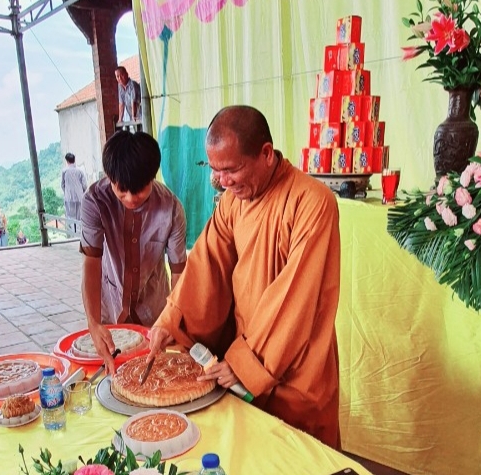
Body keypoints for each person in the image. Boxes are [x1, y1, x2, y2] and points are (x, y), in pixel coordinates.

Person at [147, 106, 342, 449]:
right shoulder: (233, 202)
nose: (223, 182)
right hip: (244, 362)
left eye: (232, 169)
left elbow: (296, 298)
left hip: (295, 371)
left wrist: (245, 364)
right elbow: (206, 264)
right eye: (216, 171)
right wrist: (171, 319)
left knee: (298, 460)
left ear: (266, 154)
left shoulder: (312, 202)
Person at [81, 130, 187, 374]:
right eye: (122, 190)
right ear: (109, 177)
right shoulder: (95, 201)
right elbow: (91, 263)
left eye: (139, 190)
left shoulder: (171, 208)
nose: (130, 198)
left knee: (157, 377)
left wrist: (172, 321)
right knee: (109, 378)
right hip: (110, 308)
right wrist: (93, 323)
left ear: (152, 177)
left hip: (155, 310)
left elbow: (179, 273)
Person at [61, 152, 88, 224]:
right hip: (79, 197)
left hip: (69, 198)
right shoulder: (80, 171)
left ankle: (74, 233)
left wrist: (67, 192)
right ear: (74, 160)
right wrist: (81, 193)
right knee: (80, 218)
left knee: (71, 220)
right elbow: (85, 185)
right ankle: (80, 233)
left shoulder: (64, 171)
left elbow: (62, 185)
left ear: (67, 161)